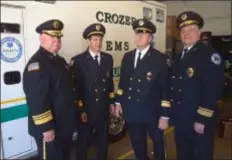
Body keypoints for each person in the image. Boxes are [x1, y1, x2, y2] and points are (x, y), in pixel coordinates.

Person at [170, 11, 224, 159]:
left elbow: (213, 90)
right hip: (181, 119)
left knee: (201, 155)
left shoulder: (209, 55)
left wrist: (203, 119)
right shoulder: (180, 56)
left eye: (191, 29)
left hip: (198, 120)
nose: (186, 33)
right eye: (183, 30)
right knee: (183, 154)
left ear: (199, 32)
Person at [114, 18, 170, 159]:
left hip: (153, 112)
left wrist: (164, 115)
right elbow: (123, 83)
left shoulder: (160, 58)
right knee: (138, 145)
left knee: (158, 145)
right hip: (133, 111)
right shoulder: (128, 57)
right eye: (137, 33)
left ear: (150, 38)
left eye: (143, 34)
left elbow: (165, 89)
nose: (139, 37)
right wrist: (118, 102)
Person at [23, 19, 77, 159]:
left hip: (63, 124)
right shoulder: (37, 64)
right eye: (52, 36)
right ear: (41, 37)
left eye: (58, 37)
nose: (56, 41)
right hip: (50, 128)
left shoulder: (59, 60)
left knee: (64, 156)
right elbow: (36, 99)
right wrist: (46, 128)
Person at [70, 23, 115, 159]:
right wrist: (81, 109)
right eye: (95, 39)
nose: (98, 42)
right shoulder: (78, 61)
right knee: (83, 142)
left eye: (100, 39)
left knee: (102, 140)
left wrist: (111, 101)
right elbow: (75, 89)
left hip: (103, 107)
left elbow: (109, 82)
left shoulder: (108, 58)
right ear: (88, 41)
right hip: (87, 109)